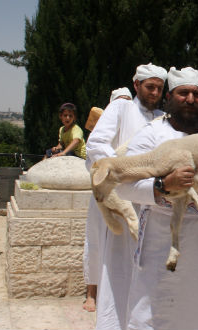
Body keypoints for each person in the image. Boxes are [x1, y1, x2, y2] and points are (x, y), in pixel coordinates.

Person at [114, 66, 198, 330]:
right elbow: (123, 185)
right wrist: (162, 186)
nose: (190, 99)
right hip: (161, 244)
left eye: (197, 94)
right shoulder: (151, 135)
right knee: (154, 311)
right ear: (170, 96)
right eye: (183, 93)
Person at [83, 63, 167, 330]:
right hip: (123, 203)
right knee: (119, 271)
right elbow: (97, 144)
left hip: (154, 205)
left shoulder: (164, 118)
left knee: (151, 273)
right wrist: (122, 171)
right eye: (149, 86)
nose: (154, 92)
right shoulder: (121, 108)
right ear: (137, 86)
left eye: (159, 88)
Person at [82, 85, 135, 313]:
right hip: (102, 194)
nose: (122, 105)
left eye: (126, 100)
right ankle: (91, 293)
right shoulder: (101, 130)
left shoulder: (138, 126)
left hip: (127, 194)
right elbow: (90, 161)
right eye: (118, 101)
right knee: (95, 240)